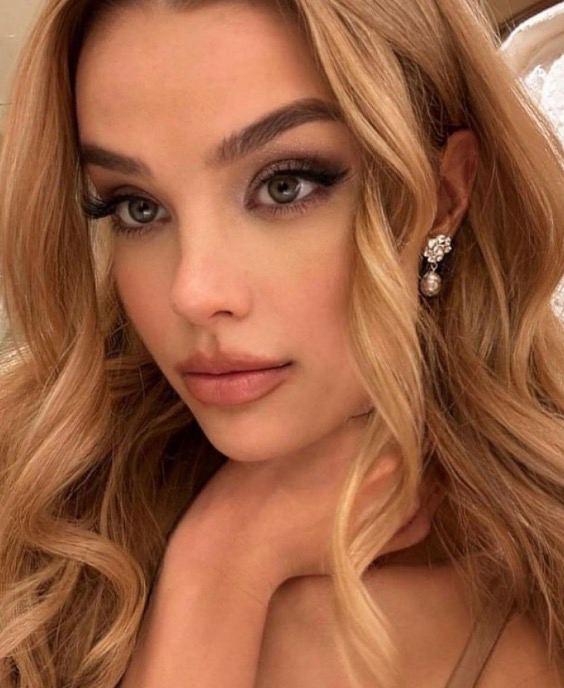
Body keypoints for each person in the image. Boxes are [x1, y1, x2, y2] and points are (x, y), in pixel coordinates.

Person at [0, 0, 563, 686]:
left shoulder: (537, 598)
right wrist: (224, 561)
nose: (193, 292)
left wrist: (225, 564)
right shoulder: (29, 506)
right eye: (136, 206)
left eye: (284, 185)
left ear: (446, 193)